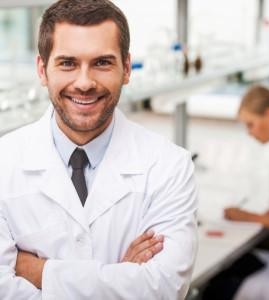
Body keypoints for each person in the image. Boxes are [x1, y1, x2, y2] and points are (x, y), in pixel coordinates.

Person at [0, 1, 198, 299]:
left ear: (127, 68)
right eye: (67, 63)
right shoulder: (4, 162)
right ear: (42, 70)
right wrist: (121, 275)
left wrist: (38, 271)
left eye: (102, 63)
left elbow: (164, 289)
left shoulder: (169, 166)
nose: (84, 82)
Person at [201, 84, 269, 300]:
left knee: (214, 290)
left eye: (251, 125)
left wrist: (247, 216)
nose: (250, 133)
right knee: (235, 265)